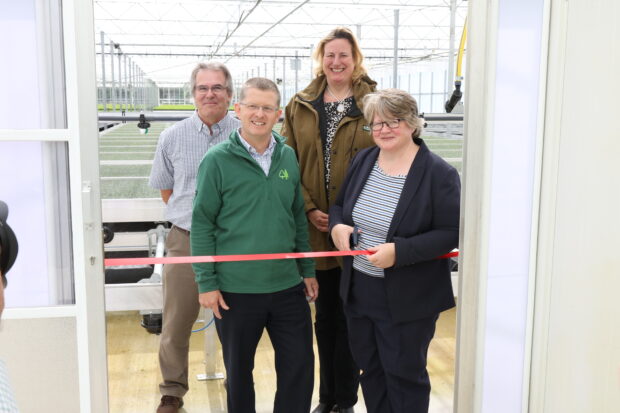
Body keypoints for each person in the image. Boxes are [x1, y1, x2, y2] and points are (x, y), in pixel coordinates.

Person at [191, 77, 318, 413]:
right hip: (236, 292)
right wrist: (207, 282)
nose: (259, 114)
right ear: (238, 110)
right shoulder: (217, 161)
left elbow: (296, 219)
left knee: (300, 368)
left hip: (288, 286)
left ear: (278, 114)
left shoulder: (288, 156)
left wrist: (306, 269)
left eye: (267, 108)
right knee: (239, 374)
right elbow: (202, 224)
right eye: (253, 107)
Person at [329, 89, 461, 413]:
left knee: (404, 376)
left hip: (407, 298)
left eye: (393, 121)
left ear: (413, 123)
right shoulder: (365, 160)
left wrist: (399, 252)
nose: (383, 130)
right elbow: (340, 205)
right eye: (376, 124)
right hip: (360, 291)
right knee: (371, 371)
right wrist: (337, 228)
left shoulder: (438, 173)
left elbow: (451, 233)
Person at [281, 27, 376, 413]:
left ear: (356, 60)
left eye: (344, 55)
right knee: (324, 316)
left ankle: (346, 399)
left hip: (359, 227)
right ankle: (327, 397)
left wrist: (345, 215)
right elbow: (285, 161)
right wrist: (307, 208)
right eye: (330, 55)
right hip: (315, 228)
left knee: (352, 315)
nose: (337, 62)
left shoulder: (374, 103)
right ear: (320, 59)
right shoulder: (301, 103)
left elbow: (386, 160)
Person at [149, 62, 240, 413]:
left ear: (230, 95)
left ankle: (239, 384)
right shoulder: (171, 137)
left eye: (217, 87)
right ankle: (172, 391)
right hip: (185, 240)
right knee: (176, 321)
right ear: (193, 94)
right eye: (203, 88)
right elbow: (168, 192)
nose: (210, 94)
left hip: (236, 243)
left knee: (238, 320)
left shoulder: (247, 133)